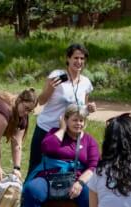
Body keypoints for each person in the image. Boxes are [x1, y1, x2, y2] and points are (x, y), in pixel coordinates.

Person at [18, 105, 99, 207]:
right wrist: (61, 129)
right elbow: (47, 148)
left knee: (88, 194)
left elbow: (94, 166)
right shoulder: (54, 134)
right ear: (65, 120)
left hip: (76, 179)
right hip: (49, 177)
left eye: (81, 120)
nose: (79, 124)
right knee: (32, 189)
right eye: (74, 120)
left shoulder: (89, 140)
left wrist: (80, 183)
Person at [28, 44, 96, 177]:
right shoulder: (57, 76)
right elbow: (41, 101)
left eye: (82, 58)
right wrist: (50, 89)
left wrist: (89, 109)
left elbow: (82, 110)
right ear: (68, 59)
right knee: (36, 165)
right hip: (47, 128)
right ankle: (27, 195)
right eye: (75, 58)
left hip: (68, 133)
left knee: (59, 169)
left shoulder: (86, 83)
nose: (79, 62)